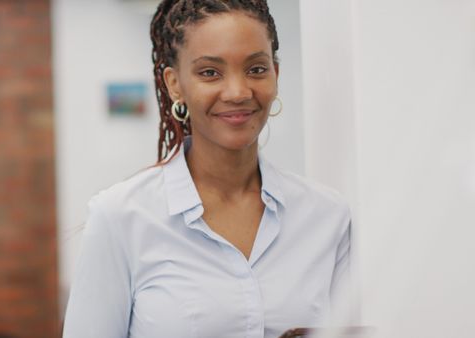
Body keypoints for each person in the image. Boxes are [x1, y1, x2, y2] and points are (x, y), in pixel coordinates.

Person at [63, 1, 353, 337]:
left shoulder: (327, 217)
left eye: (256, 69)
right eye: (210, 72)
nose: (238, 92)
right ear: (175, 84)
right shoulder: (120, 217)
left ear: (276, 74)